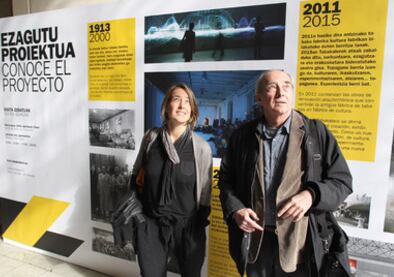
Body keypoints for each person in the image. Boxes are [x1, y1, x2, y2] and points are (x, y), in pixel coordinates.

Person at [218, 70, 353, 277]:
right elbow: (226, 181)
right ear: (259, 98)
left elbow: (342, 182)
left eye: (287, 86)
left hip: (300, 245)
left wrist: (311, 195)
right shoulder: (242, 137)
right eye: (272, 87)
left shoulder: (315, 133)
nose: (281, 93)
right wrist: (236, 210)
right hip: (257, 243)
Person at [131, 83, 212, 277]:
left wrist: (197, 226)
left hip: (187, 227)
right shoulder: (151, 139)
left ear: (192, 112)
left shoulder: (200, 147)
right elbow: (136, 176)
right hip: (151, 223)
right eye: (176, 99)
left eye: (187, 102)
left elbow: (205, 192)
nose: (182, 106)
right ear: (166, 106)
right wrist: (139, 217)